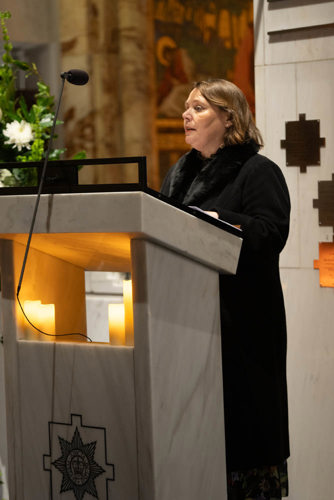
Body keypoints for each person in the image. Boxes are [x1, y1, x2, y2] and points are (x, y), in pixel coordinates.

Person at [160, 79, 290, 500]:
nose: (186, 115)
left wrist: (219, 220)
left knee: (244, 436)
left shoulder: (258, 171)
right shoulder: (178, 175)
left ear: (229, 117)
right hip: (185, 323)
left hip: (242, 329)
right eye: (186, 107)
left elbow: (270, 234)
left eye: (197, 107)